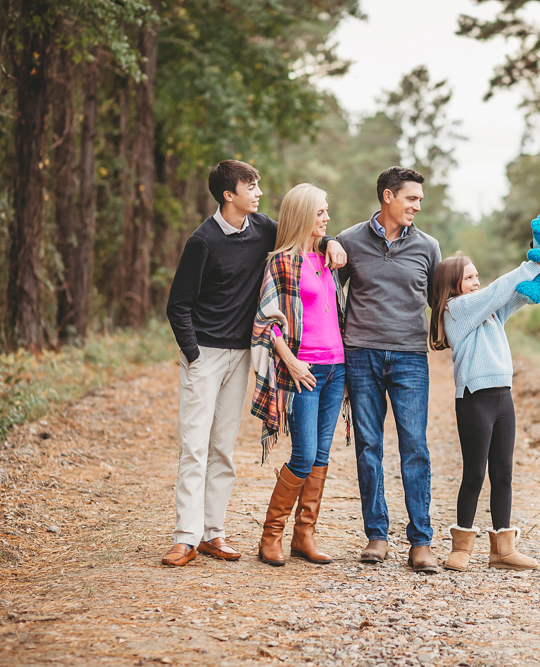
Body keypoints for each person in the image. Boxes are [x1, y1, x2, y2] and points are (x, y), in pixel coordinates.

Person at [162, 161, 345, 568]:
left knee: (222, 448)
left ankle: (213, 534)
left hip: (243, 355)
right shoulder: (203, 241)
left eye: (258, 185)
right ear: (229, 195)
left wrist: (330, 239)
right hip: (205, 354)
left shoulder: (263, 229)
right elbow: (178, 306)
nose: (258, 192)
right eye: (251, 186)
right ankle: (184, 538)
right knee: (194, 447)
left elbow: (301, 229)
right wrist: (193, 354)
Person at [427, 250, 540, 571]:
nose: (477, 281)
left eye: (477, 276)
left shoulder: (485, 311)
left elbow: (513, 297)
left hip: (503, 396)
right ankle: (461, 548)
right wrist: (529, 266)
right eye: (470, 277)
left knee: (503, 475)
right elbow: (496, 291)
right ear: (454, 284)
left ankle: (503, 549)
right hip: (475, 399)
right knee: (474, 474)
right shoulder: (457, 309)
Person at [336, 166, 442, 573]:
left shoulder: (428, 247)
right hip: (360, 355)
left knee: (415, 446)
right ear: (387, 197)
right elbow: (331, 294)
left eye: (419, 199)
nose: (417, 205)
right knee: (368, 446)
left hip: (410, 357)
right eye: (411, 198)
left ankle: (421, 542)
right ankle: (376, 536)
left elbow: (441, 302)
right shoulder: (348, 241)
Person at [251, 183, 348, 567]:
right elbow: (265, 320)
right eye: (321, 212)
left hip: (336, 369)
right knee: (304, 455)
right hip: (303, 370)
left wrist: (332, 242)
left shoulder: (330, 257)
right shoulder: (281, 262)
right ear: (305, 215)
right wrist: (289, 360)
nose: (326, 219)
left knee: (322, 455)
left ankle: (303, 536)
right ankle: (270, 535)